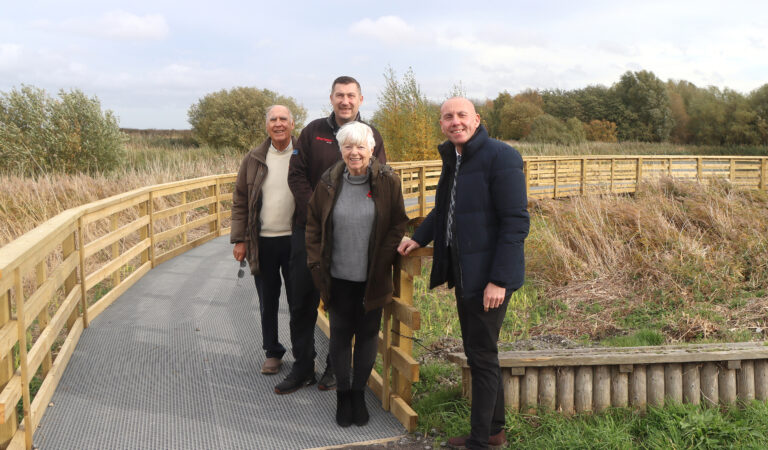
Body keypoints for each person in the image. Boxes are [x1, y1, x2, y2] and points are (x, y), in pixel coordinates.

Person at [398, 98, 529, 449]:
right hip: (466, 271)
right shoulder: (456, 159)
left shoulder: (501, 157)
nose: (455, 122)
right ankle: (493, 431)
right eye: (448, 117)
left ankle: (480, 441)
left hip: (489, 277)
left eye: (461, 116)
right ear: (441, 124)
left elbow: (516, 223)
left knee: (482, 354)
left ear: (477, 120)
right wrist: (419, 238)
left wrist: (499, 280)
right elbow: (446, 209)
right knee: (479, 351)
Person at [277, 76, 386, 394]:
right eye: (340, 95)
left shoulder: (371, 135)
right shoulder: (313, 132)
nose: (345, 101)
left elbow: (379, 179)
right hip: (308, 231)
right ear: (331, 98)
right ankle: (303, 367)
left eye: (351, 95)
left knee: (342, 304)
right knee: (301, 302)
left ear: (360, 99)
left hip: (351, 237)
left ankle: (333, 369)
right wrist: (319, 209)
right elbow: (295, 174)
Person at [306, 121, 408, 427]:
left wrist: (383, 259)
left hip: (372, 278)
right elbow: (313, 225)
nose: (354, 153)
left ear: (372, 149)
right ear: (340, 150)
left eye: (360, 147)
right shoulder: (328, 182)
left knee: (366, 338)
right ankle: (342, 396)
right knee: (339, 337)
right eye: (348, 147)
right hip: (337, 277)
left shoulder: (388, 181)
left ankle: (358, 395)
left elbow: (398, 223)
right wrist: (315, 265)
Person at [231, 105, 296, 376]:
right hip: (263, 242)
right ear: (266, 125)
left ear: (292, 124)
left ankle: (304, 354)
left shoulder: (304, 154)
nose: (278, 124)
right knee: (267, 300)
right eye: (273, 119)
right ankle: (272, 351)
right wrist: (239, 239)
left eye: (283, 119)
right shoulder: (254, 158)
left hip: (297, 240)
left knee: (300, 301)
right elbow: (240, 201)